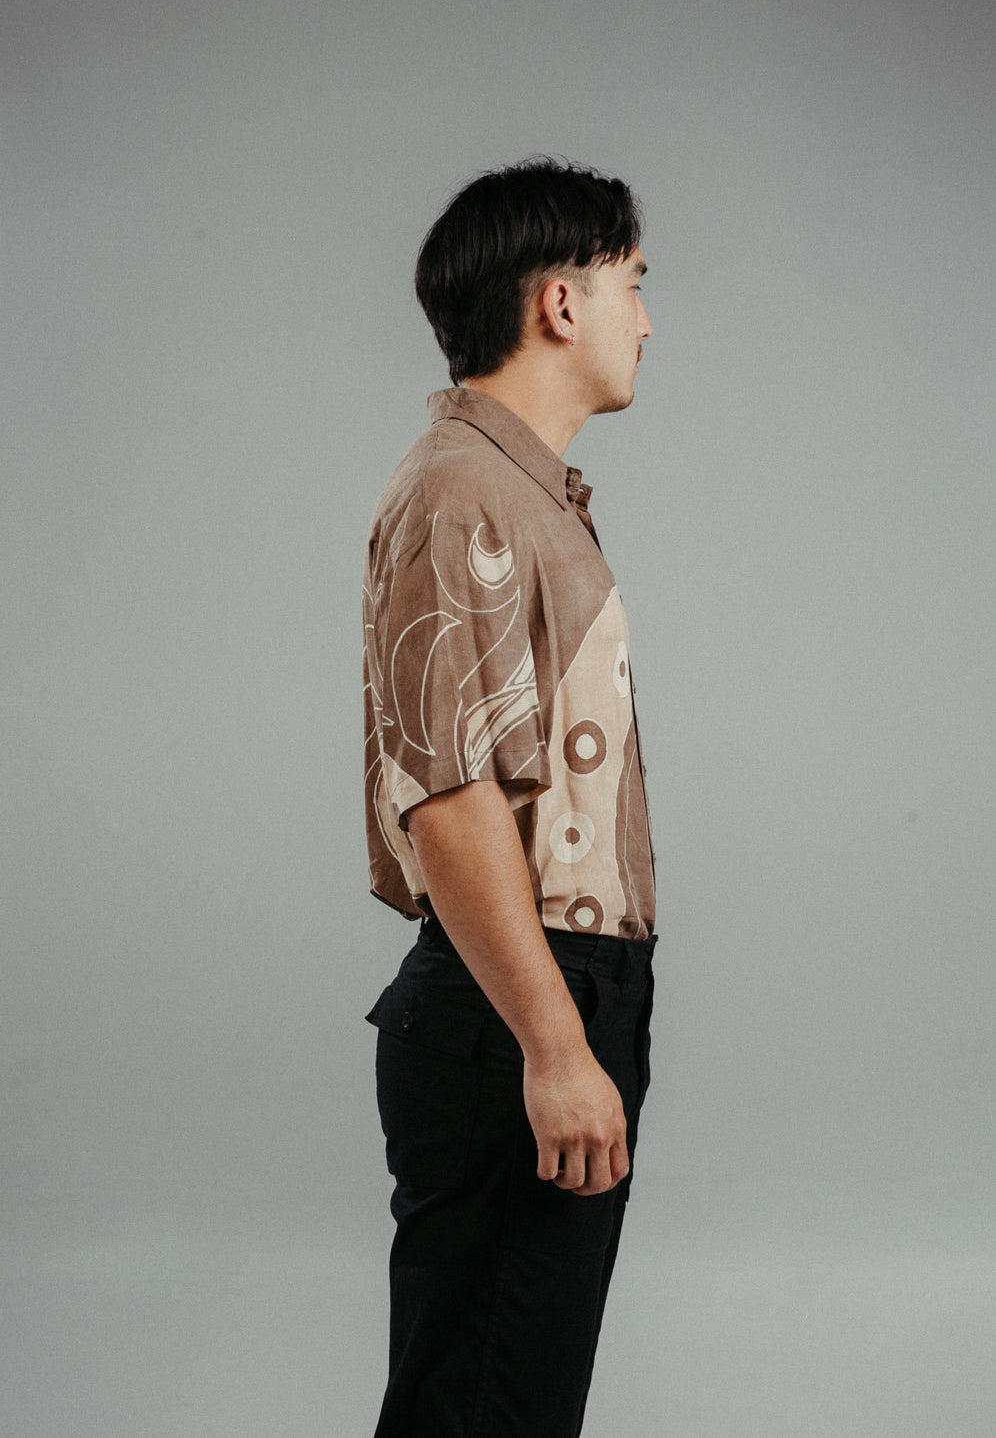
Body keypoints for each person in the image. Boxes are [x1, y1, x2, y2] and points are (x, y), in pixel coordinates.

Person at [362, 157, 657, 1437]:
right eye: (632, 283)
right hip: (516, 1001)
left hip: (543, 992)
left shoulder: (521, 493)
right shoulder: (463, 491)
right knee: (483, 1406)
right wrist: (552, 1043)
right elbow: (447, 796)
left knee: (510, 1400)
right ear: (559, 302)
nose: (647, 317)